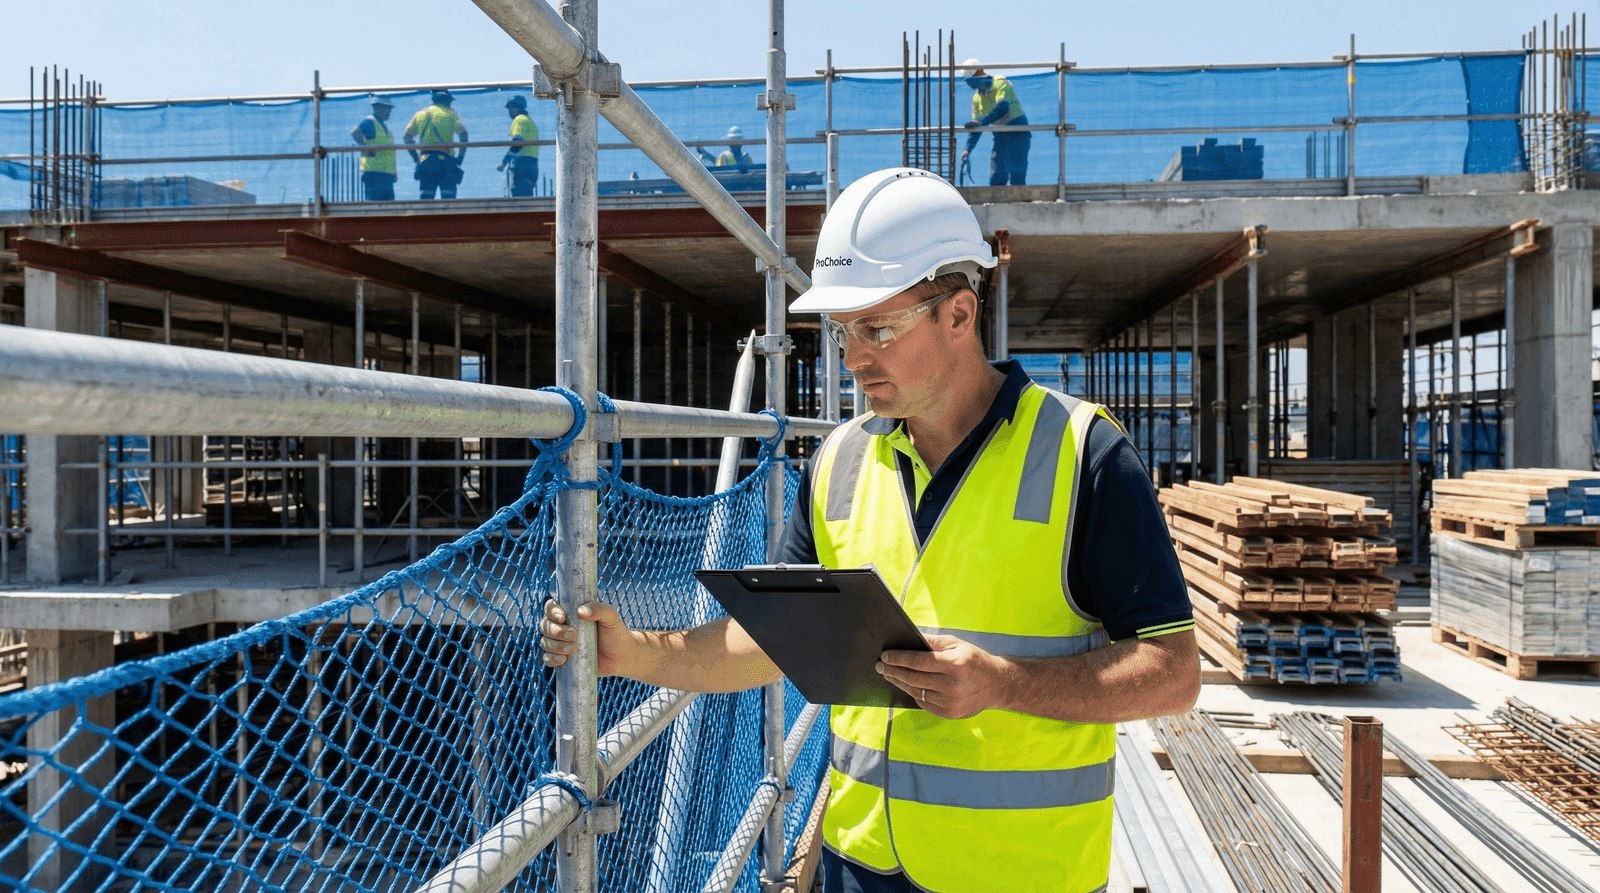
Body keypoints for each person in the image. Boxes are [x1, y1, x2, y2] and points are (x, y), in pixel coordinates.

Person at [540, 168, 1199, 893]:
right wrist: (635, 650)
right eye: (844, 331)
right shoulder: (840, 461)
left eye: (878, 328)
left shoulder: (1084, 455)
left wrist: (1003, 683)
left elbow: (1173, 672)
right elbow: (768, 640)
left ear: (958, 313)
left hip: (1020, 875)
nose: (854, 359)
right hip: (858, 867)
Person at [960, 59, 1030, 186]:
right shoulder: (977, 98)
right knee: (997, 175)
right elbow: (977, 126)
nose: (970, 85)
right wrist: (967, 149)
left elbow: (1003, 107)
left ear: (979, 72)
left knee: (1017, 174)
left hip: (1018, 131)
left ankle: (1017, 201)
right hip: (1000, 135)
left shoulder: (1000, 82)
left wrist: (983, 122)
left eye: (970, 81)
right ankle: (998, 201)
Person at [404, 89, 469, 200]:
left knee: (426, 200)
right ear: (447, 100)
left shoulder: (420, 114)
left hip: (426, 161)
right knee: (449, 201)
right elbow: (463, 135)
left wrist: (416, 158)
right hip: (447, 162)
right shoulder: (451, 114)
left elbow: (407, 137)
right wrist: (460, 158)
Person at [350, 95, 398, 201]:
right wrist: (366, 147)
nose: (390, 111)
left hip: (386, 174)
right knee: (375, 207)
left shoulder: (383, 127)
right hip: (374, 173)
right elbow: (355, 132)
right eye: (388, 108)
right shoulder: (370, 122)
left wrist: (394, 172)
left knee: (388, 209)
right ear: (378, 108)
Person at [496, 95, 539, 197]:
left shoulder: (519, 120)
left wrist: (503, 163)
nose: (509, 111)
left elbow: (517, 143)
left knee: (519, 199)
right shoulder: (529, 122)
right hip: (532, 165)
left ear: (518, 107)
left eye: (511, 107)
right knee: (527, 197)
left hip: (521, 165)